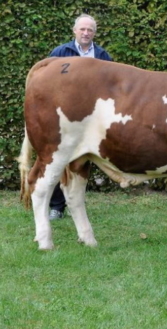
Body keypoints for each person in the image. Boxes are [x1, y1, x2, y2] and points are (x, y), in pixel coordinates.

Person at [48, 13, 113, 220]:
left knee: (84, 159)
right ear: (74, 30)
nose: (86, 33)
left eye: (90, 30)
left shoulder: (102, 56)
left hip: (92, 118)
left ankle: (76, 202)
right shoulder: (60, 52)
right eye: (82, 29)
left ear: (95, 32)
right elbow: (48, 83)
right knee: (59, 159)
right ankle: (57, 206)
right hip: (64, 117)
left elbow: (111, 87)